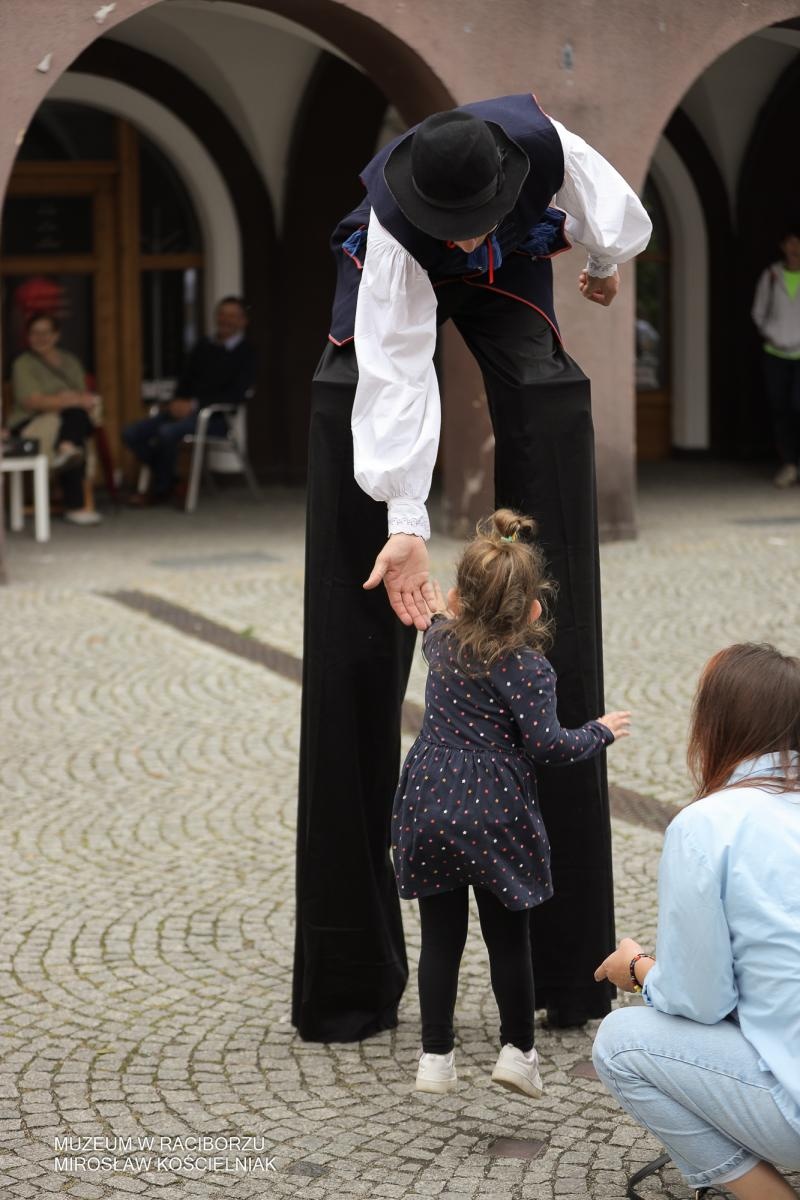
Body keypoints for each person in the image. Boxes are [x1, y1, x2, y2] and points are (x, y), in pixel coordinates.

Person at [295, 93, 651, 1042]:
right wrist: (404, 522)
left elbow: (610, 207)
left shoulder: (542, 146)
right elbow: (400, 371)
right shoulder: (398, 233)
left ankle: (568, 967)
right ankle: (348, 976)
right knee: (350, 411)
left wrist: (606, 266)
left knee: (548, 390)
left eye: (470, 230)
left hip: (524, 261)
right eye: (446, 234)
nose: (456, 246)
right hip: (375, 327)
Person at [393, 510, 630, 1095]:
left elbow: (443, 616)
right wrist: (599, 730)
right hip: (494, 812)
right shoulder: (529, 667)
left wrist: (443, 601)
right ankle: (518, 1052)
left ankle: (435, 1058)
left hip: (431, 804)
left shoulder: (440, 641)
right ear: (533, 609)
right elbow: (549, 745)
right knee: (508, 940)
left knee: (440, 939)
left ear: (457, 595)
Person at [592, 643, 800, 1200]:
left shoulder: (707, 824)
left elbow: (702, 999)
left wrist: (637, 969)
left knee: (619, 1043)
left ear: (715, 726)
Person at [123, 296, 256, 505]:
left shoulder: (247, 353)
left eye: (233, 316)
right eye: (222, 314)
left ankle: (161, 490)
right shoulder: (203, 346)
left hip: (215, 418)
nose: (226, 320)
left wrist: (194, 405)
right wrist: (177, 402)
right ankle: (169, 479)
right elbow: (185, 379)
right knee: (132, 433)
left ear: (243, 321)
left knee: (166, 433)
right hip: (183, 409)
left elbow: (236, 394)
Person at [9, 311, 102, 527]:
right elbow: (31, 401)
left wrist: (67, 400)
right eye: (35, 333)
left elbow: (83, 396)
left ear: (56, 335)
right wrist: (66, 399)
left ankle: (66, 449)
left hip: (70, 418)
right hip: (31, 421)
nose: (40, 337)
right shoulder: (23, 363)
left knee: (76, 419)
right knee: (74, 424)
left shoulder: (69, 361)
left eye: (46, 332)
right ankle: (75, 504)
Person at [752, 228, 800, 488]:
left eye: (798, 243)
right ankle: (789, 464)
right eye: (790, 243)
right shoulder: (772, 276)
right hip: (776, 353)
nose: (794, 248)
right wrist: (770, 334)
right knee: (781, 409)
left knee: (797, 404)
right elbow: (758, 312)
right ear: (783, 246)